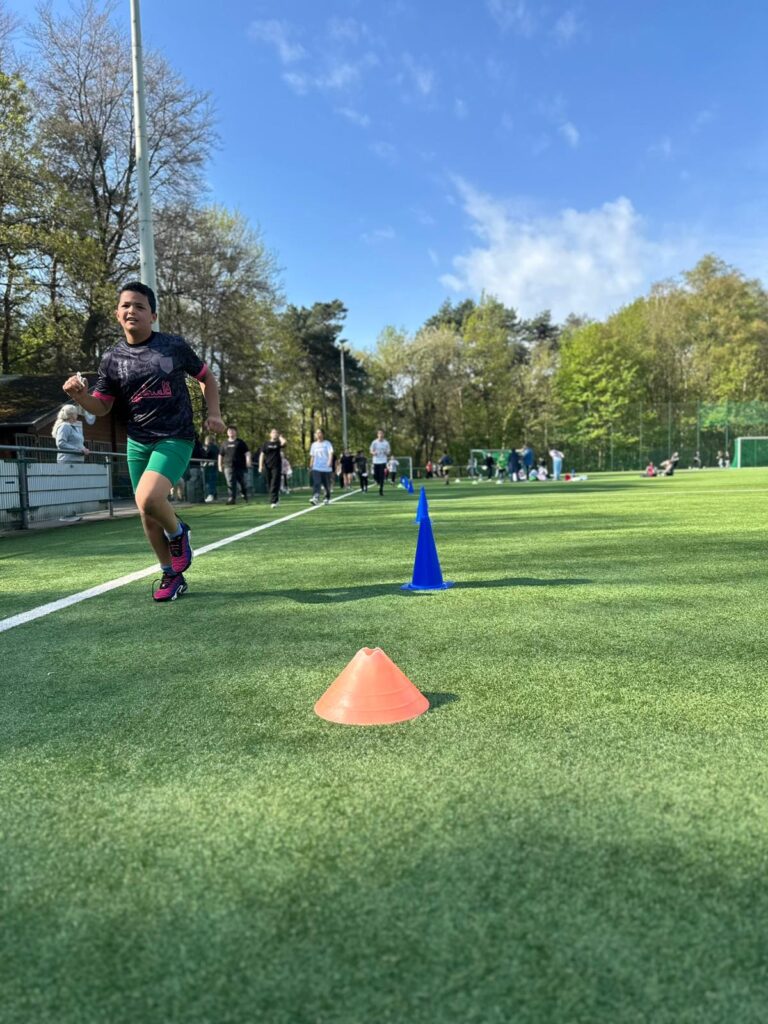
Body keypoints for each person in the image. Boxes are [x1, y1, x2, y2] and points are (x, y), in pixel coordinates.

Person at [62, 281, 224, 602]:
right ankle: (171, 574)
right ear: (117, 314)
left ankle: (178, 532)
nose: (131, 311)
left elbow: (206, 376)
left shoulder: (173, 346)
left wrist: (215, 413)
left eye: (139, 306)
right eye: (125, 305)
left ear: (153, 316)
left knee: (149, 498)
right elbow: (102, 406)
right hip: (137, 441)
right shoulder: (112, 359)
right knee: (146, 513)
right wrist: (80, 396)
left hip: (174, 436)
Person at [218, 426, 251, 505]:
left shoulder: (240, 442)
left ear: (235, 432)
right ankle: (231, 498)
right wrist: (219, 465)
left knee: (241, 482)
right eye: (229, 431)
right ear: (227, 433)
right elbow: (220, 455)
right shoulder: (224, 443)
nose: (231, 432)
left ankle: (244, 493)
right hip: (228, 466)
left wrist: (248, 461)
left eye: (232, 431)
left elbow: (247, 453)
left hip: (240, 466)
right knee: (230, 482)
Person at [258, 428, 286, 509]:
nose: (274, 434)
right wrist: (260, 466)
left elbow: (284, 443)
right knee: (269, 483)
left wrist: (280, 437)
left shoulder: (278, 443)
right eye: (273, 432)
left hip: (276, 466)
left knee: (274, 483)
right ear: (270, 434)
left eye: (276, 433)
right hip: (267, 466)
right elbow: (262, 455)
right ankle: (276, 497)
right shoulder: (265, 444)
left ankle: (273, 501)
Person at [309, 428, 334, 505]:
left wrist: (329, 462)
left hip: (326, 468)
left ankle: (327, 498)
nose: (318, 434)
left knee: (326, 485)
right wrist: (310, 465)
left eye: (319, 433)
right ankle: (315, 497)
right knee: (317, 482)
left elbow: (330, 453)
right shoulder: (313, 445)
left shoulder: (327, 443)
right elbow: (312, 456)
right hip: (316, 467)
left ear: (323, 434)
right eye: (316, 433)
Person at [369, 429, 391, 496]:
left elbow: (389, 451)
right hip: (376, 461)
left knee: (381, 475)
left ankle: (381, 490)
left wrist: (386, 452)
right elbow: (371, 450)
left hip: (383, 461)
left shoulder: (386, 443)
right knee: (376, 475)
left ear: (383, 435)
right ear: (377, 435)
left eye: (382, 433)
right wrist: (373, 453)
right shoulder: (374, 442)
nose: (381, 435)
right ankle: (378, 482)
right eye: (379, 433)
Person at [201, 433, 220, 502]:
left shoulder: (210, 447)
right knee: (213, 480)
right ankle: (214, 495)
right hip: (214, 465)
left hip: (210, 465)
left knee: (210, 480)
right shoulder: (216, 447)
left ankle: (211, 494)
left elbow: (206, 455)